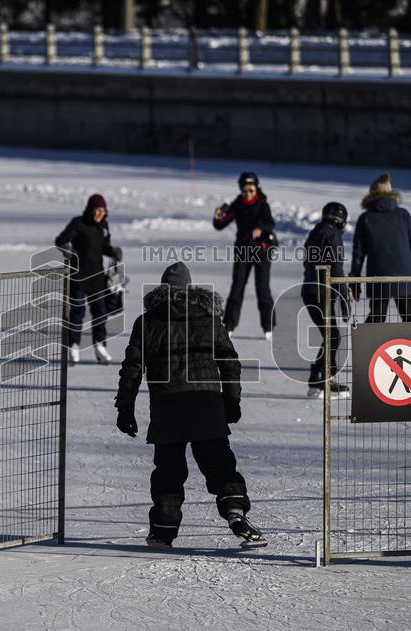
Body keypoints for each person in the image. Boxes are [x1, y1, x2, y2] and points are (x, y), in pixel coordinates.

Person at [114, 262, 265, 550]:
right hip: (206, 407)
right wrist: (231, 403)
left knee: (168, 474)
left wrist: (125, 408)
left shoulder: (146, 322)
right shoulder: (209, 318)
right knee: (220, 466)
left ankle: (162, 532)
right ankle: (234, 511)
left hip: (168, 410)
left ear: (162, 290)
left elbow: (133, 367)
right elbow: (230, 363)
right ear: (189, 288)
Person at [55, 193, 122, 365]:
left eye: (103, 210)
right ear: (90, 210)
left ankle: (99, 345)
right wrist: (68, 251)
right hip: (78, 277)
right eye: (97, 210)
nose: (100, 213)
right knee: (78, 312)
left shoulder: (104, 226)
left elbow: (103, 247)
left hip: (97, 278)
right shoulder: (78, 223)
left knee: (100, 312)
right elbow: (61, 240)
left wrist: (113, 251)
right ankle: (74, 345)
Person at [349, 173, 411, 323]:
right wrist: (405, 262)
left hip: (378, 276)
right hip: (405, 276)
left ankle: (370, 346)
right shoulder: (403, 215)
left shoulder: (365, 219)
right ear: (391, 193)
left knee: (376, 321)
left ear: (371, 195)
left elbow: (358, 253)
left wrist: (354, 280)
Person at [212, 171, 276, 340]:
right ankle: (229, 324)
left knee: (262, 289)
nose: (248, 194)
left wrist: (260, 229)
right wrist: (218, 218)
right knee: (237, 288)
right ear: (241, 190)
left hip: (262, 251)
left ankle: (268, 325)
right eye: (245, 190)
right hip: (243, 251)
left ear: (256, 189)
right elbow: (222, 224)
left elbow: (270, 224)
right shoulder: (238, 204)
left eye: (251, 190)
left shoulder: (263, 204)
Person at [302, 202, 351, 399]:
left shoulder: (315, 232)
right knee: (333, 336)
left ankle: (317, 378)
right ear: (341, 221)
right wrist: (344, 297)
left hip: (310, 290)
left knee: (331, 335)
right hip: (321, 291)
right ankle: (324, 380)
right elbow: (336, 267)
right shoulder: (332, 235)